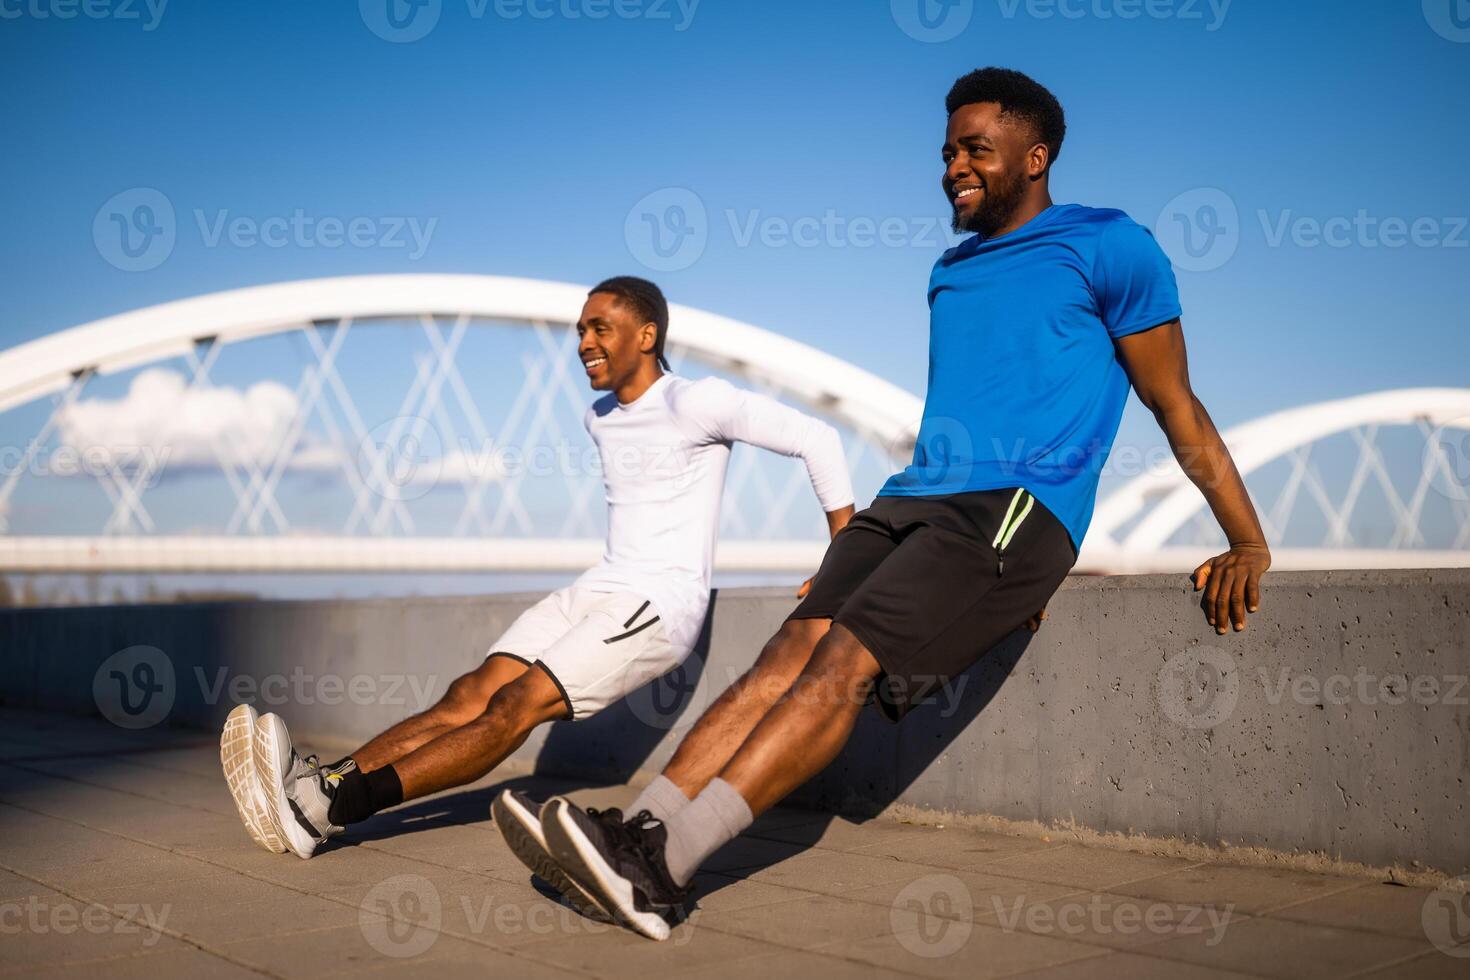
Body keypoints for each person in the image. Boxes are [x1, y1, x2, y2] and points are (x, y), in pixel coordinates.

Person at [519, 67, 1273, 941]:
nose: (953, 164)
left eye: (975, 150)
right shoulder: (949, 271)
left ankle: (665, 872)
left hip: (1011, 509)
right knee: (782, 658)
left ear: (1035, 158)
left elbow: (1173, 402)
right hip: (908, 501)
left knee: (842, 662)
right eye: (948, 149)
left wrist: (1244, 541)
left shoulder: (1110, 245)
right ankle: (635, 829)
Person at [219, 277, 857, 903]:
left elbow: (817, 440)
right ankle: (318, 786)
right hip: (598, 586)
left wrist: (842, 558)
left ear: (647, 333)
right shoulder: (599, 415)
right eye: (580, 329)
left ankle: (328, 808)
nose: (583, 341)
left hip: (657, 606)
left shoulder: (697, 401)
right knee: (470, 692)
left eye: (599, 327)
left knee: (513, 707)